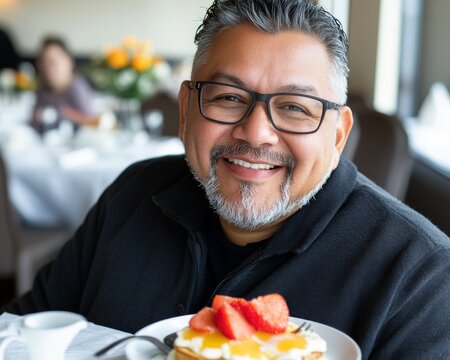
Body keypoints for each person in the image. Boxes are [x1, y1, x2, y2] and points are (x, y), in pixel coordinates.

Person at [3, 1, 450, 358]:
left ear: (337, 135)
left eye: (295, 107)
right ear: (185, 111)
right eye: (228, 97)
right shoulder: (131, 196)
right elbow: (23, 335)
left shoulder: (420, 278)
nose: (256, 132)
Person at [31, 37, 96, 132]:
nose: (49, 68)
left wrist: (62, 113)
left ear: (69, 62)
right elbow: (34, 119)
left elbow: (91, 120)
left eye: (54, 62)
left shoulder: (76, 87)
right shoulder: (43, 87)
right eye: (44, 62)